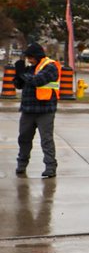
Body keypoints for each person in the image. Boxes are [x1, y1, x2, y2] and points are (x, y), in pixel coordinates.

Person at [11, 42, 61, 177]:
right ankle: (21, 164)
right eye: (27, 57)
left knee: (46, 140)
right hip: (28, 110)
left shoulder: (50, 67)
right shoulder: (30, 68)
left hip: (45, 110)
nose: (28, 60)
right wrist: (18, 74)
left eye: (30, 57)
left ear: (37, 56)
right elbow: (19, 85)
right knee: (24, 138)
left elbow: (37, 81)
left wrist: (23, 74)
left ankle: (50, 167)